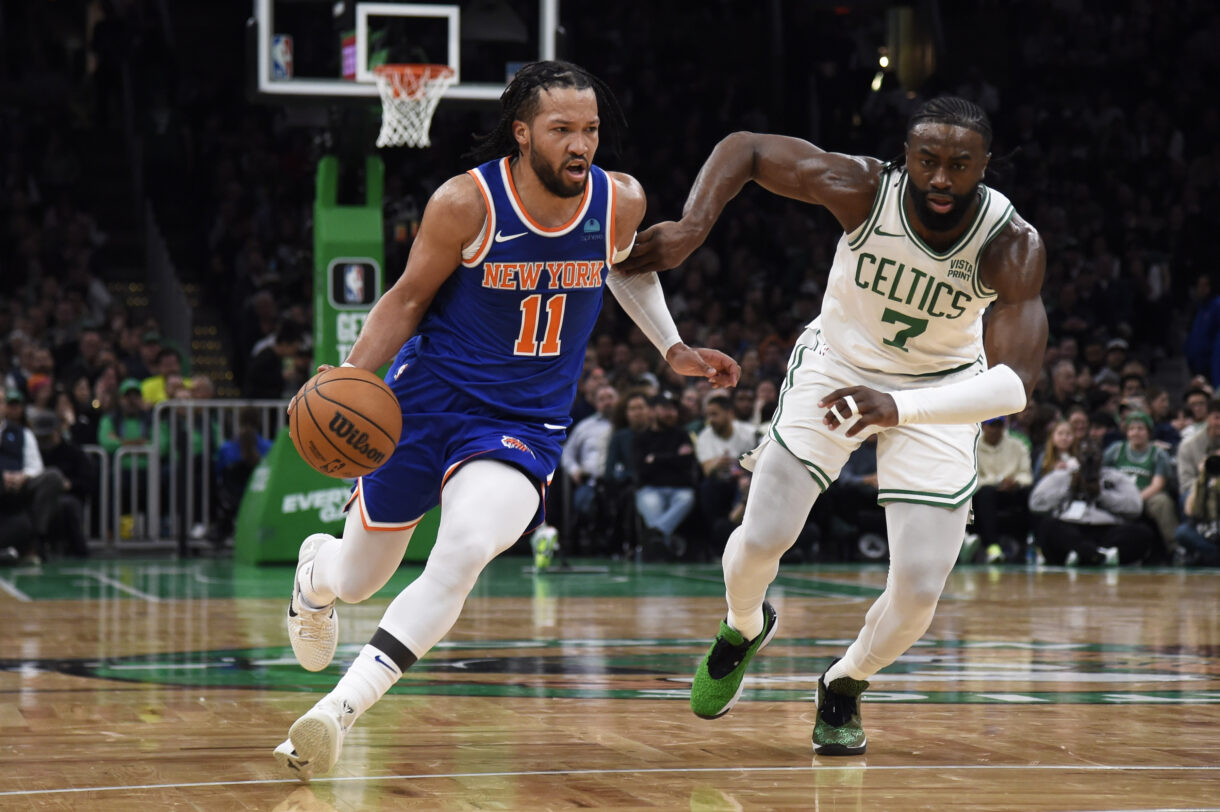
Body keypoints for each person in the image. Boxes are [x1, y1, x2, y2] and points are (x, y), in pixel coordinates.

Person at [272, 60, 739, 780]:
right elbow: (403, 301)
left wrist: (671, 345)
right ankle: (317, 572)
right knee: (361, 578)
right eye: (561, 130)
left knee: (462, 550)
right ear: (523, 133)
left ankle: (338, 709)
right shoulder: (466, 204)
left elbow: (625, 266)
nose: (580, 144)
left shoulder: (620, 200)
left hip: (523, 423)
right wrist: (345, 381)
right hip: (425, 404)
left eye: (589, 129)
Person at [620, 97, 1046, 755]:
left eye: (959, 166)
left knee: (919, 592)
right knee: (761, 538)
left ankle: (845, 684)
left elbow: (1015, 386)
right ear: (906, 158)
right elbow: (747, 148)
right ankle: (742, 626)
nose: (940, 179)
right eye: (927, 161)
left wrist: (898, 407)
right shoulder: (864, 188)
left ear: (984, 167)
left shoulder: (1011, 244)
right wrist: (692, 225)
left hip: (937, 393)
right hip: (837, 366)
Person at [1029, 438, 1154, 566]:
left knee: (1142, 532)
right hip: (1071, 527)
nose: (1089, 459)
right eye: (1084, 454)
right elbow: (1036, 503)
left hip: (1107, 529)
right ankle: (1100, 555)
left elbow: (1135, 507)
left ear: (1101, 456)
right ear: (1077, 456)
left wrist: (1101, 495)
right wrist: (1069, 490)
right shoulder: (1062, 476)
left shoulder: (1116, 477)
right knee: (1047, 526)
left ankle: (1084, 554)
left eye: (1094, 454)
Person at [1101, 410, 1178, 560]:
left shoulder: (1157, 453)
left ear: (1148, 432)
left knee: (1162, 502)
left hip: (1146, 495)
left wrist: (1135, 499)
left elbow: (1158, 484)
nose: (1136, 433)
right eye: (1132, 429)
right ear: (1127, 432)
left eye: (1140, 429)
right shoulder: (1116, 450)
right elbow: (1101, 473)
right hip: (1118, 495)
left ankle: (1175, 548)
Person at [967, 415, 1033, 563]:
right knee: (987, 494)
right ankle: (992, 547)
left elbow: (1026, 475)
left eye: (999, 426)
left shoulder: (1018, 445)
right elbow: (972, 479)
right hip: (983, 495)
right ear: (984, 426)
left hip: (1012, 491)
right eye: (992, 426)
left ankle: (1027, 546)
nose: (996, 430)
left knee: (1028, 493)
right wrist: (997, 481)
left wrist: (1015, 482)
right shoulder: (972, 446)